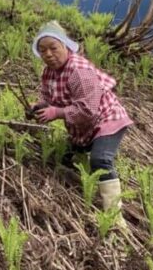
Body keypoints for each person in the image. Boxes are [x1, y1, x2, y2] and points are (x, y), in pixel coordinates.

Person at [30, 21, 133, 225]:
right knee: (66, 158)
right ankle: (79, 189)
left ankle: (114, 217)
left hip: (106, 119)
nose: (48, 54)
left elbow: (87, 110)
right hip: (83, 127)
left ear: (66, 46)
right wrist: (39, 106)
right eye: (42, 50)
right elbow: (48, 96)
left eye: (53, 48)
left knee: (100, 160)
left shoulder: (79, 71)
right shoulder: (48, 72)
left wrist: (56, 113)